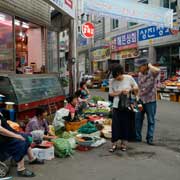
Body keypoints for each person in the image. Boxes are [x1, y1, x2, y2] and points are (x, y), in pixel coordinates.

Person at [0, 112, 44, 177]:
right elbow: (1, 130)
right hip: (4, 140)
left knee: (25, 137)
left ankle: (32, 159)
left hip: (9, 135)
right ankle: (21, 170)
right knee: (20, 142)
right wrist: (16, 136)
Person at [109, 65, 138, 152]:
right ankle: (114, 144)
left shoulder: (129, 78)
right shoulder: (112, 81)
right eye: (115, 77)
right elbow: (111, 94)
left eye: (118, 76)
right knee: (115, 125)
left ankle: (123, 144)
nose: (117, 78)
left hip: (127, 105)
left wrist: (129, 90)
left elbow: (136, 87)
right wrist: (119, 92)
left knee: (125, 124)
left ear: (121, 72)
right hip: (116, 105)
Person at [134, 58, 160, 145]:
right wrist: (137, 97)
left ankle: (150, 138)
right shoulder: (140, 74)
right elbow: (139, 86)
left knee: (151, 120)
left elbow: (158, 70)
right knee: (138, 119)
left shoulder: (152, 73)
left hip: (150, 100)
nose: (138, 68)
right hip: (141, 100)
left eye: (140, 66)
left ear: (145, 66)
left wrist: (149, 64)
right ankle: (137, 137)